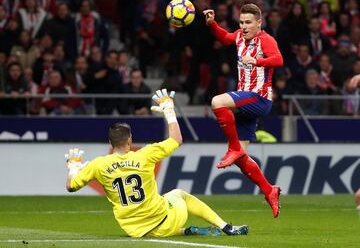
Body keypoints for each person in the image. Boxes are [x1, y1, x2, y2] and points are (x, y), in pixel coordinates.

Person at [65, 89, 249, 238]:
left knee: (160, 217)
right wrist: (169, 110)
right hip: (163, 220)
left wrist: (73, 167)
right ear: (130, 140)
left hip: (134, 231)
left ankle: (186, 231)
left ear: (110, 143)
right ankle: (226, 227)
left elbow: (71, 186)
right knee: (179, 194)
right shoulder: (144, 155)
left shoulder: (98, 164)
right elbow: (176, 139)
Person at [203, 4, 283, 218]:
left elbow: (278, 59)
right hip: (245, 100)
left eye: (249, 22)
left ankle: (233, 148)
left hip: (258, 97)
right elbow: (225, 37)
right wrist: (212, 24)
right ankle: (269, 190)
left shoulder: (265, 39)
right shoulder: (239, 36)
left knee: (217, 102)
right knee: (242, 159)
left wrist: (256, 60)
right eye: (242, 22)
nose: (244, 26)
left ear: (259, 22)